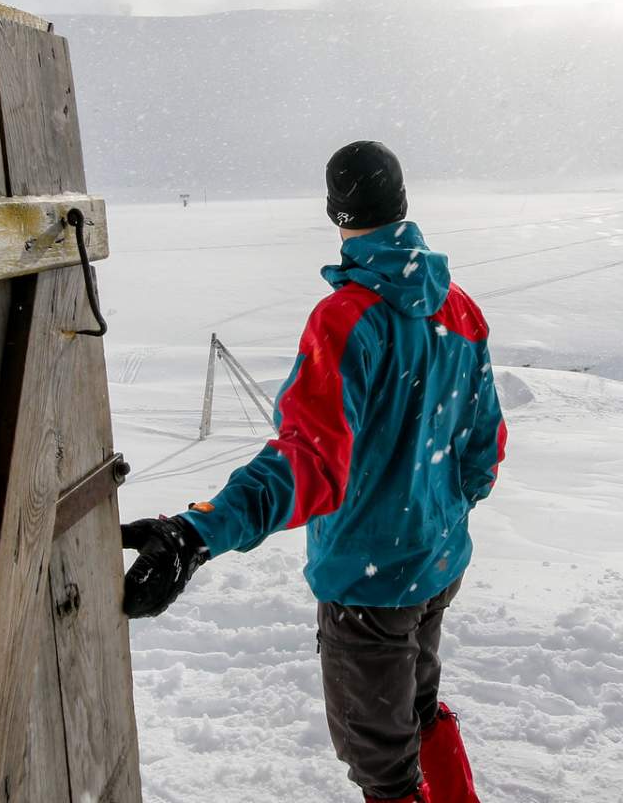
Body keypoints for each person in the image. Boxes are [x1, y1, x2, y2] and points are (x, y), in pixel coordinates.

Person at [121, 140, 508, 803]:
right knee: (418, 712)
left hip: (368, 585)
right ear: (403, 202)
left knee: (384, 767)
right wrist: (435, 515)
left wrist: (198, 532)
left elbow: (308, 463)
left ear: (335, 212)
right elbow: (484, 448)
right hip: (437, 566)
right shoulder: (459, 308)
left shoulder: (347, 319)